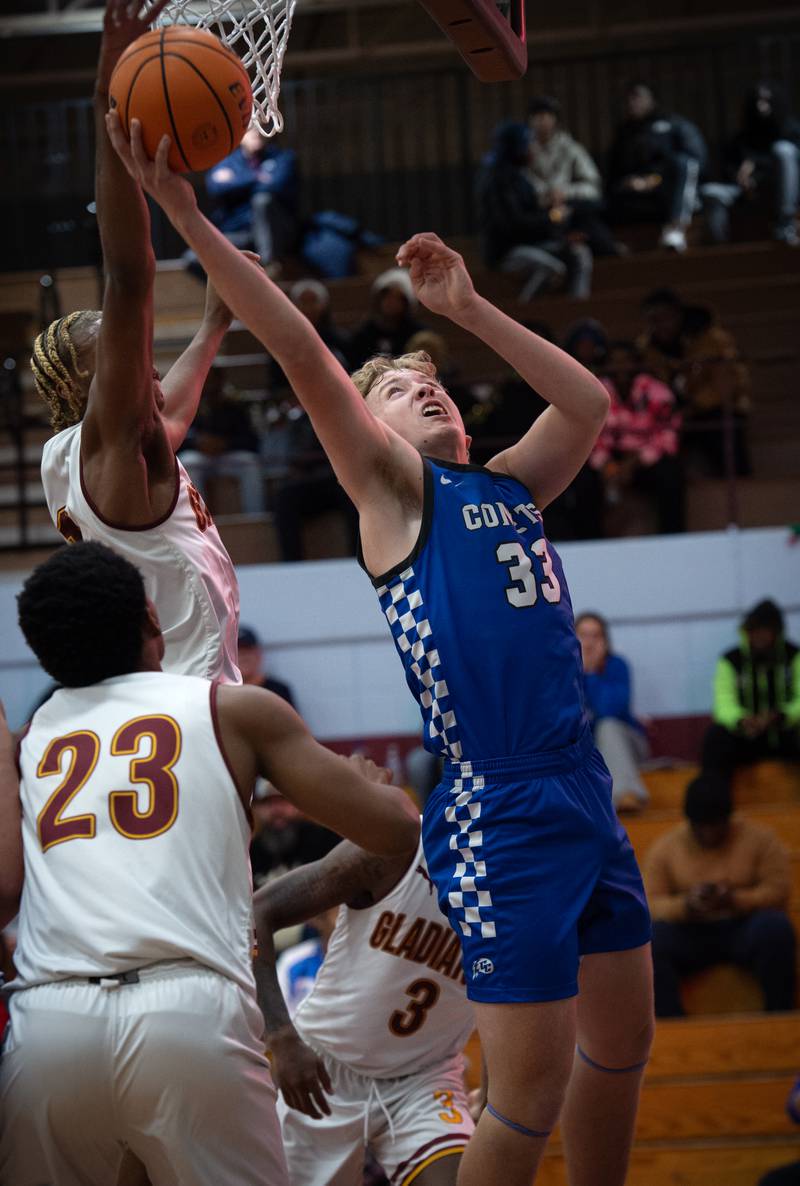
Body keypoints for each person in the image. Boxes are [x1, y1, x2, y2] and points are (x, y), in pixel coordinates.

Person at [110, 118, 655, 1186]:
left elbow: (585, 403)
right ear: (364, 428)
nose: (428, 386)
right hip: (497, 803)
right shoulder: (392, 495)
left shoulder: (505, 482)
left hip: (580, 787)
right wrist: (183, 214)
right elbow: (297, 344)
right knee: (528, 1095)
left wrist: (462, 307)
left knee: (623, 1047)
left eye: (432, 379)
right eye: (399, 388)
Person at [0, 540, 420, 1186]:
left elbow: (6, 891)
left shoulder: (28, 743)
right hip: (189, 1014)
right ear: (150, 619)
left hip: (50, 1022)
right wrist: (369, 785)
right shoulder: (232, 709)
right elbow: (393, 831)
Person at [31, 0, 241, 684]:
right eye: (118, 353)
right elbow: (128, 273)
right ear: (88, 386)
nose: (143, 360)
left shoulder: (96, 457)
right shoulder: (111, 440)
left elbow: (169, 416)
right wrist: (107, 98)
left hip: (174, 694)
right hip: (193, 696)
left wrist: (212, 324)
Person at [254, 835, 476, 1186]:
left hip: (423, 1079)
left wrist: (495, 1088)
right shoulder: (398, 844)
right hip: (324, 1070)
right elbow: (257, 913)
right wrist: (281, 1038)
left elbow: (521, 997)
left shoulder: (527, 887)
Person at [644, 774, 796, 1017]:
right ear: (689, 822)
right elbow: (650, 904)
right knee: (652, 940)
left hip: (743, 926)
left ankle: (779, 1015)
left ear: (729, 819)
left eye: (716, 826)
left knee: (776, 929)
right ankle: (673, 1026)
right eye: (701, 827)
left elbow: (778, 891)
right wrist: (687, 905)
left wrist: (735, 899)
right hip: (691, 929)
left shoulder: (760, 839)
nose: (709, 834)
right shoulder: (666, 848)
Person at [638, 287, 751, 477]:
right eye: (654, 321)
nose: (661, 326)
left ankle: (740, 481)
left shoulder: (712, 339)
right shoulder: (647, 350)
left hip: (713, 409)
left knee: (721, 431)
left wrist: (693, 407)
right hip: (674, 414)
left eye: (665, 318)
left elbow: (728, 383)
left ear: (678, 315)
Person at [477, 120, 593, 300]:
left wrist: (561, 237)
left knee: (579, 253)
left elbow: (532, 216)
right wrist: (553, 217)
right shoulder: (498, 180)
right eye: (528, 142)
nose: (533, 147)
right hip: (507, 251)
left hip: (531, 244)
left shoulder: (520, 175)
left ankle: (576, 311)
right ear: (517, 147)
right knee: (550, 269)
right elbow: (514, 225)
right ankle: (521, 320)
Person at [591, 340, 685, 535]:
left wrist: (634, 463)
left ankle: (673, 536)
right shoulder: (596, 391)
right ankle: (588, 539)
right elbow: (588, 434)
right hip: (609, 458)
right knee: (581, 482)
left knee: (671, 475)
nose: (620, 367)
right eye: (614, 362)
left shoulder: (656, 391)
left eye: (626, 361)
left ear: (636, 364)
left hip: (645, 458)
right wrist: (607, 465)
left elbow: (668, 435)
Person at [702, 599, 800, 782]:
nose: (759, 636)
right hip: (746, 738)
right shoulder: (731, 659)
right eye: (754, 630)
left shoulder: (794, 656)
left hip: (787, 736)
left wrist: (781, 716)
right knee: (716, 737)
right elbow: (722, 703)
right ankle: (712, 804)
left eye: (765, 630)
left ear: (776, 632)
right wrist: (741, 720)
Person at [605, 81, 707, 253]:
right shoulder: (624, 133)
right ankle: (612, 248)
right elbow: (614, 171)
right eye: (629, 98)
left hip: (667, 189)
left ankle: (676, 228)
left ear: (652, 100)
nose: (632, 102)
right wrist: (629, 182)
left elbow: (695, 161)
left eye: (637, 97)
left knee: (683, 163)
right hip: (634, 195)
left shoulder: (675, 124)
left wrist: (654, 180)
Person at [702, 83, 800, 247]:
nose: (760, 106)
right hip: (745, 191)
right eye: (756, 101)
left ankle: (785, 225)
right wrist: (739, 177)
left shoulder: (791, 130)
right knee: (710, 192)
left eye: (766, 101)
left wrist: (756, 171)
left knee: (783, 150)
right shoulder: (741, 138)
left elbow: (791, 166)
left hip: (780, 190)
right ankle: (721, 251)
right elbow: (728, 168)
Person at [527, 96, 620, 257]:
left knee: (595, 230)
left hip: (570, 209)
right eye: (537, 115)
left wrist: (565, 193)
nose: (542, 120)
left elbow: (592, 186)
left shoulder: (571, 149)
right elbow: (521, 185)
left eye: (546, 115)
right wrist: (545, 195)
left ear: (555, 119)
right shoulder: (523, 151)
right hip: (537, 213)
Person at [575, 613, 650, 813]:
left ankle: (627, 794)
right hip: (589, 749)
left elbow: (609, 710)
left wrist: (590, 673)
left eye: (596, 636)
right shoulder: (564, 671)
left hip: (626, 743)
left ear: (606, 641)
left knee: (607, 726)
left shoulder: (617, 666)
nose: (589, 643)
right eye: (583, 635)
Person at [204, 126, 299, 271]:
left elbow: (276, 186)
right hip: (241, 233)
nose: (257, 132)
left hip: (277, 235)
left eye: (262, 127)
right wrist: (256, 177)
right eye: (251, 128)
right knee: (195, 257)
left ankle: (268, 267)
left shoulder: (283, 158)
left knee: (262, 200)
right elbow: (215, 188)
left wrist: (235, 182)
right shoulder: (228, 162)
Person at [178, 364, 265, 515]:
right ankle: (199, 521)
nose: (209, 385)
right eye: (205, 379)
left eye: (212, 380)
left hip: (228, 455)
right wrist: (196, 443)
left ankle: (255, 516)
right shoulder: (187, 404)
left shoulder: (234, 405)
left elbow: (251, 440)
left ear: (220, 381)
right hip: (198, 455)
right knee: (187, 463)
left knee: (251, 462)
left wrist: (225, 444)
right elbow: (175, 439)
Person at [250, 782, 339, 889]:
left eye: (283, 801)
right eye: (267, 803)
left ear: (297, 804)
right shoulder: (250, 853)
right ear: (256, 808)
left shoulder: (325, 839)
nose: (276, 810)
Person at [347, 268, 425, 371]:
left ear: (407, 304)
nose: (391, 302)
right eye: (387, 296)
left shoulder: (417, 334)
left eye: (398, 298)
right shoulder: (363, 334)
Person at [238, 624, 296, 706]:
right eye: (237, 651)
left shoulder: (279, 690)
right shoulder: (220, 693)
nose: (242, 656)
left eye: (247, 650)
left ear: (258, 654)